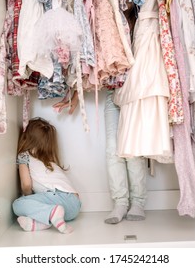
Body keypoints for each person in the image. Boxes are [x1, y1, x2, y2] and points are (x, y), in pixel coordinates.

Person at [53, 90, 148, 224]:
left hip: (135, 92)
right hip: (112, 94)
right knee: (112, 149)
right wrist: (75, 97)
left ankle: (138, 203)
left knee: (133, 149)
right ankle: (120, 203)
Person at [12, 117, 81, 234]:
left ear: (26, 138)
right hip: (74, 207)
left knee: (18, 204)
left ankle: (51, 213)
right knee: (47, 211)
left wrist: (28, 197)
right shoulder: (49, 161)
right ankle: (42, 222)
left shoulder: (24, 155)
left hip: (59, 198)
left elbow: (26, 184)